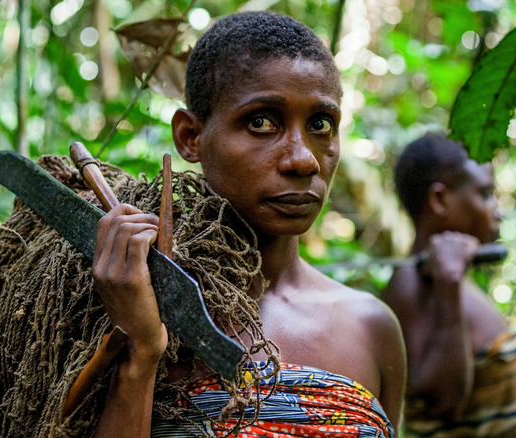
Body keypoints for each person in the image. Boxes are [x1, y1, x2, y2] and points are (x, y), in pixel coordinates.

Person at [91, 11, 406, 437]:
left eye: (320, 124)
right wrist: (141, 351)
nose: (304, 159)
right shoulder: (124, 301)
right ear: (191, 137)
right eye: (261, 122)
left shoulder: (372, 328)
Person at [381, 133, 516, 437]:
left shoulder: (452, 281)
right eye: (485, 194)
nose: (497, 210)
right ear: (440, 199)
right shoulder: (409, 285)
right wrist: (448, 283)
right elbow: (443, 403)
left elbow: (484, 396)